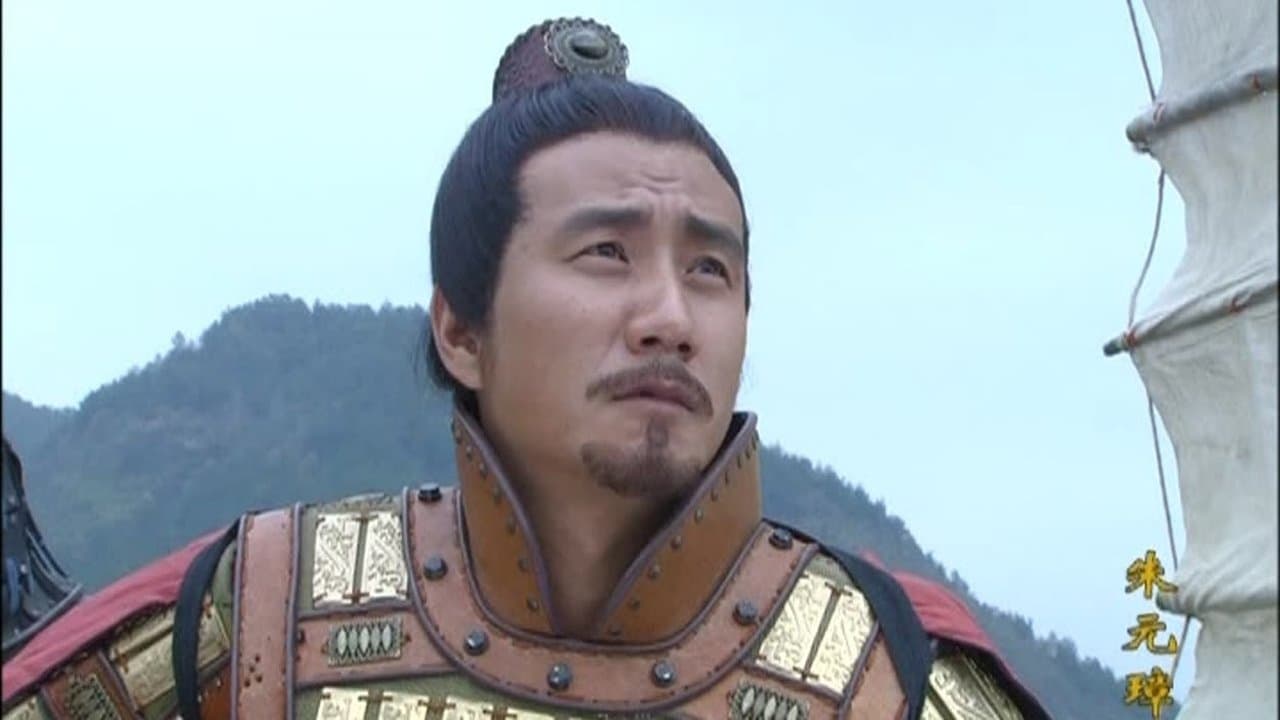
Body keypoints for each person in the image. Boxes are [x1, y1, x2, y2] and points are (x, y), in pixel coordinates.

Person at [1, 18, 1051, 720]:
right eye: (605, 253)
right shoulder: (261, 614)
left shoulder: (888, 669)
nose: (669, 318)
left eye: (710, 270)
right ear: (460, 331)